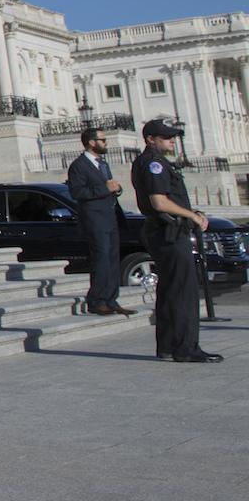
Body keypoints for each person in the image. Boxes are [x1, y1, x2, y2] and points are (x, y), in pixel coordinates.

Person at [132, 119, 219, 364]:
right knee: (183, 291)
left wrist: (193, 212)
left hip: (165, 231)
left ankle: (169, 346)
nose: (172, 140)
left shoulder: (152, 162)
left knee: (171, 290)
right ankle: (186, 348)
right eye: (166, 136)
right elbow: (159, 201)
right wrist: (191, 215)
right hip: (168, 232)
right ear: (151, 139)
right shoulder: (154, 163)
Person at [68, 125, 132, 316]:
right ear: (91, 142)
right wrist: (105, 189)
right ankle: (97, 300)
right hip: (95, 219)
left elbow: (109, 187)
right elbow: (77, 192)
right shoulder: (79, 166)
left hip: (110, 216)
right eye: (102, 140)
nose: (106, 143)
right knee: (101, 258)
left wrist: (116, 189)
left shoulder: (102, 164)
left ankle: (111, 299)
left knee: (112, 258)